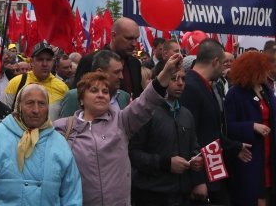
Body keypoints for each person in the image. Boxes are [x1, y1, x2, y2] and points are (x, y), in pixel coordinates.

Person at [55, 52, 183, 206]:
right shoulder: (63, 129)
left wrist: (166, 72)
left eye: (105, 92)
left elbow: (146, 101)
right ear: (81, 99)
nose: (101, 95)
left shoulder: (122, 122)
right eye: (94, 91)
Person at [0, 84, 82, 205]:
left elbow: (72, 195)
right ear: (18, 106)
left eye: (41, 104)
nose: (36, 110)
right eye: (30, 103)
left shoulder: (59, 143)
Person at [180, 38, 245, 205]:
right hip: (202, 174)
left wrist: (235, 146)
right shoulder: (191, 87)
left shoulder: (205, 85)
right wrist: (198, 180)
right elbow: (189, 135)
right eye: (223, 63)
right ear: (215, 62)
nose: (225, 68)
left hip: (213, 169)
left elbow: (211, 129)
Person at [223, 51, 276, 206]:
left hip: (271, 156)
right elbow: (227, 126)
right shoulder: (235, 94)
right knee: (253, 196)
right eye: (264, 69)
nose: (267, 72)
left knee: (270, 196)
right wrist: (251, 126)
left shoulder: (266, 91)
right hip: (250, 157)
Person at [129, 67, 203, 206]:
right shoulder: (146, 113)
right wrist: (166, 164)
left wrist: (196, 158)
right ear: (161, 80)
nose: (180, 83)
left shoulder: (186, 114)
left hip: (181, 194)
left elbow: (194, 145)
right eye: (174, 78)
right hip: (152, 194)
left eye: (183, 79)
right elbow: (132, 154)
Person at [74, 18, 144, 98]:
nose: (134, 44)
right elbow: (77, 96)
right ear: (114, 36)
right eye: (129, 38)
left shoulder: (135, 64)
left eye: (136, 39)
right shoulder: (90, 61)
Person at [4, 42, 69, 118]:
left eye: (48, 60)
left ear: (53, 62)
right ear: (31, 62)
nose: (44, 64)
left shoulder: (63, 88)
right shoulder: (16, 83)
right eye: (40, 59)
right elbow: (5, 114)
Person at [59, 49, 130, 117]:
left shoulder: (124, 96)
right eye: (116, 72)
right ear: (99, 72)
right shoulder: (73, 97)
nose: (121, 77)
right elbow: (66, 124)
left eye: (121, 71)